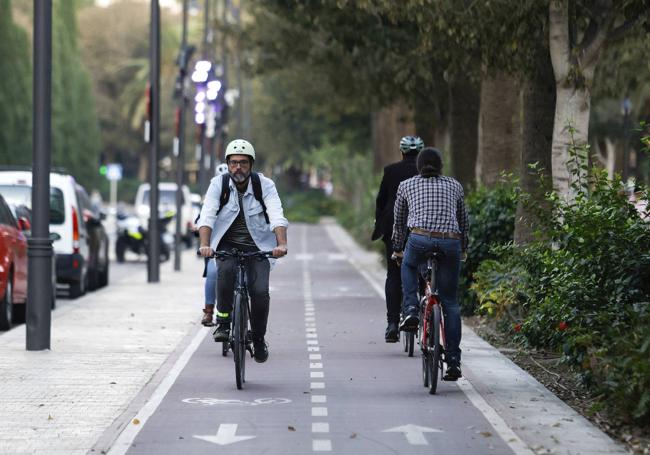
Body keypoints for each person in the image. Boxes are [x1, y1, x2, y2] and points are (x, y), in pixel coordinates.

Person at [197, 139, 288, 363]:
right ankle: (224, 323)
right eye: (234, 163)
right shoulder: (218, 184)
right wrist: (205, 245)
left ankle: (258, 338)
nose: (238, 167)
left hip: (259, 246)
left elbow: (276, 214)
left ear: (251, 165)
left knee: (259, 293)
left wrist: (281, 244)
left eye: (243, 163)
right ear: (228, 164)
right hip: (227, 244)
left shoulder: (264, 185)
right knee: (224, 272)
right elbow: (207, 215)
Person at [392, 147, 468, 380]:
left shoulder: (406, 185)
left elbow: (399, 221)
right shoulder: (455, 185)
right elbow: (464, 220)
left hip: (419, 238)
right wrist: (463, 247)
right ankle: (453, 360)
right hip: (450, 242)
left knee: (408, 264)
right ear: (441, 166)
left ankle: (412, 309)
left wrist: (397, 248)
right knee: (450, 303)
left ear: (418, 166)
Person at [371, 135, 423, 342]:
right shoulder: (427, 173)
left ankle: (392, 323)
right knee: (420, 271)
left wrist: (378, 223)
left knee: (393, 274)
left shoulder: (390, 171)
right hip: (420, 227)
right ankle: (418, 311)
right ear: (421, 153)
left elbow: (381, 200)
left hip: (393, 226)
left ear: (402, 152)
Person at [200, 162, 230, 327]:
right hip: (216, 247)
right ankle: (209, 311)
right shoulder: (211, 196)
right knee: (212, 273)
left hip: (239, 243)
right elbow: (202, 220)